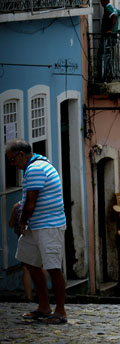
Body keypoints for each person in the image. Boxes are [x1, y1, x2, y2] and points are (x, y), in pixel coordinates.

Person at [5, 138, 68, 324]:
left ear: (22, 155)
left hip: (48, 225)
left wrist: (22, 221)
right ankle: (44, 306)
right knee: (30, 261)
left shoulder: (35, 169)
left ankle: (61, 311)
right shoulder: (36, 164)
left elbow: (31, 203)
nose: (12, 164)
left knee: (53, 267)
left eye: (12, 159)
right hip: (36, 224)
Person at [99, 0, 120, 79]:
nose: (101, 3)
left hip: (109, 35)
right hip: (114, 34)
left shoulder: (108, 8)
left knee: (106, 53)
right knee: (110, 53)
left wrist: (111, 29)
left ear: (106, 1)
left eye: (102, 1)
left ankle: (107, 74)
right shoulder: (114, 8)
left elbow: (114, 16)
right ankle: (109, 72)